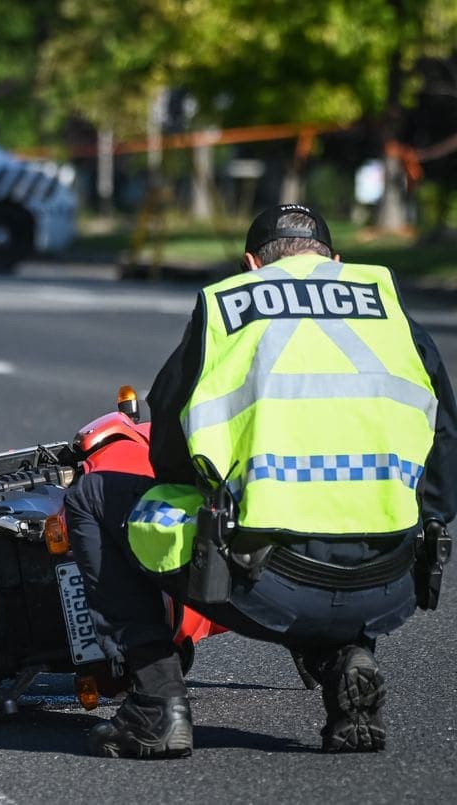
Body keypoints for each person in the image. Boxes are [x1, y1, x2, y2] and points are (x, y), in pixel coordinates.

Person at [63, 204, 457, 757]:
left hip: (267, 583)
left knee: (91, 500)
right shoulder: (388, 305)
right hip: (389, 586)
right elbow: (445, 448)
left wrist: (211, 497)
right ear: (335, 260)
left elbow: (171, 450)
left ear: (253, 264)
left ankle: (157, 705)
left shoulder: (229, 306)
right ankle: (344, 659)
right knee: (341, 514)